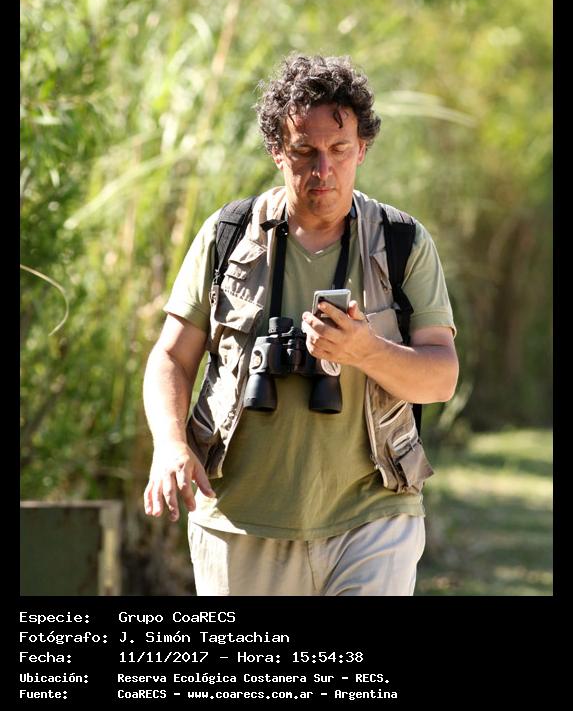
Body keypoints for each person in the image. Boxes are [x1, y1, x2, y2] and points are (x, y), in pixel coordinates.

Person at [143, 54, 458, 596]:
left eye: (339, 150)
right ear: (276, 151)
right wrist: (170, 444)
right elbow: (171, 356)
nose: (323, 170)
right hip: (237, 520)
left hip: (374, 516)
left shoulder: (402, 242)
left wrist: (364, 351)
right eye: (304, 151)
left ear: (362, 149)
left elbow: (441, 379)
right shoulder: (227, 235)